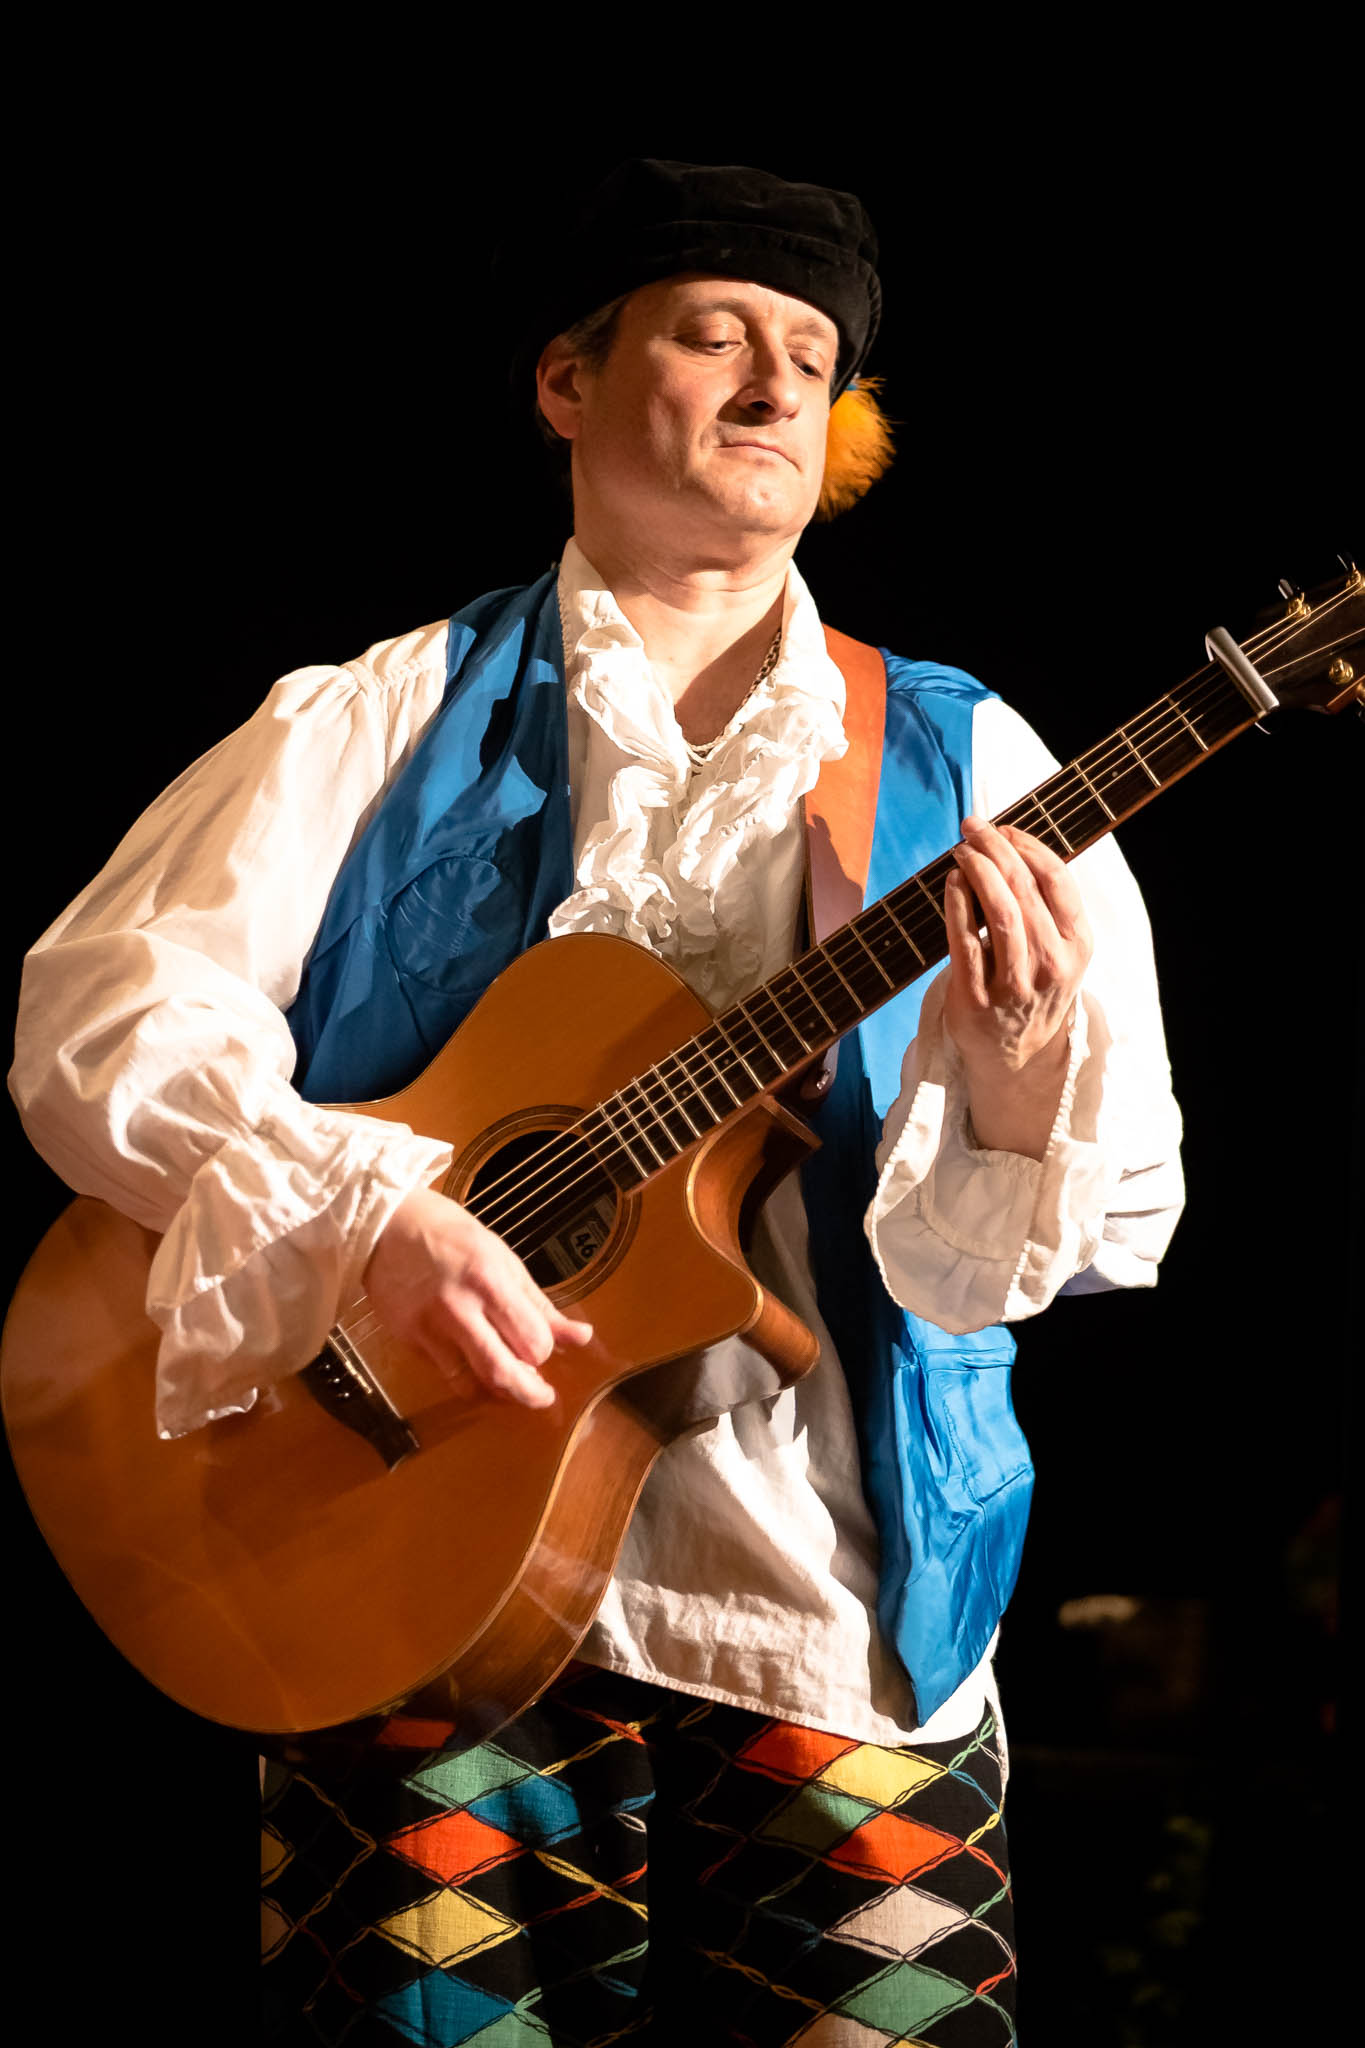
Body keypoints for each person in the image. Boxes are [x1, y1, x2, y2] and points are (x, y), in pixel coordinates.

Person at [10, 160, 1182, 2044]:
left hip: (833, 1607)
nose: (774, 385)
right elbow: (98, 1016)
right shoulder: (384, 713)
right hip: (402, 1580)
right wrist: (370, 1217)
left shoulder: (975, 766)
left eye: (811, 356)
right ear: (566, 382)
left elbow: (1092, 1229)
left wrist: (1025, 1070)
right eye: (715, 332)